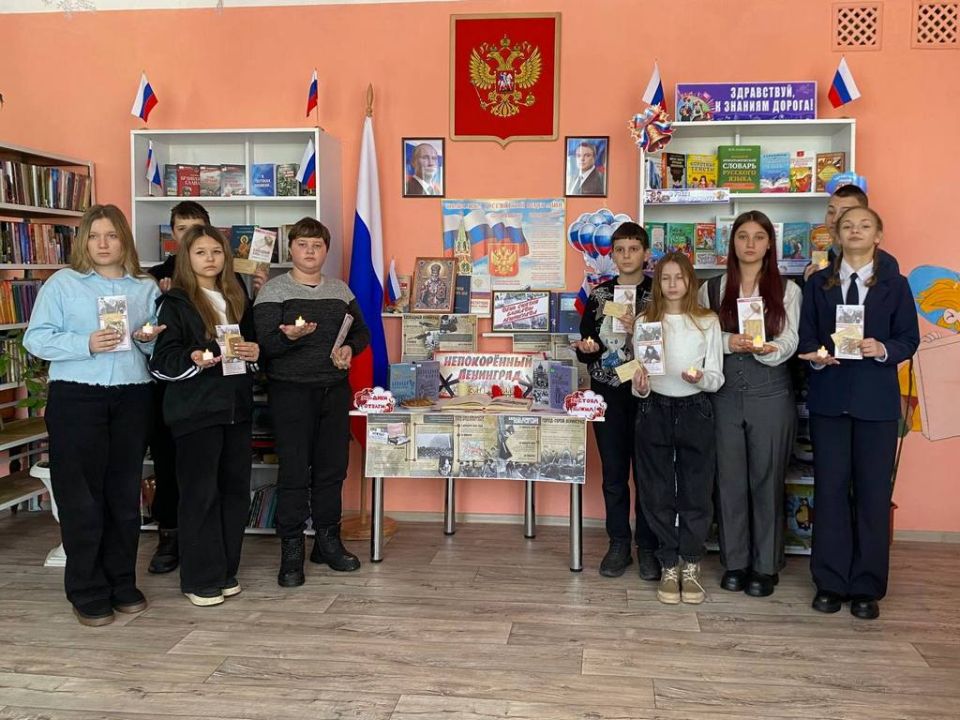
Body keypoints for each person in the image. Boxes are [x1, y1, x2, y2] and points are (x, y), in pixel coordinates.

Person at [23, 204, 162, 626]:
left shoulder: (145, 287)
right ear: (83, 240)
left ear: (124, 241)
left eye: (112, 235)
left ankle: (122, 581)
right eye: (95, 236)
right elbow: (36, 339)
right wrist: (85, 343)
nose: (103, 244)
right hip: (77, 396)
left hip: (133, 396)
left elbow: (157, 345)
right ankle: (86, 588)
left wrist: (147, 339)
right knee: (81, 497)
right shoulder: (63, 284)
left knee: (123, 494)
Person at [798, 207, 919, 620]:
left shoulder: (896, 285)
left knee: (872, 494)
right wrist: (815, 357)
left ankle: (867, 585)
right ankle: (830, 581)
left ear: (878, 235)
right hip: (830, 400)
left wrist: (883, 349)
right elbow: (807, 336)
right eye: (847, 226)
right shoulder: (819, 283)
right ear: (837, 235)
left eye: (864, 226)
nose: (855, 231)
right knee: (830, 491)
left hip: (876, 403)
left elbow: (909, 338)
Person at [146, 201, 266, 574]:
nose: (210, 258)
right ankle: (200, 578)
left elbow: (253, 348)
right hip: (196, 412)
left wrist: (255, 352)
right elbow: (162, 362)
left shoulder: (235, 297)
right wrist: (194, 357)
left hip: (236, 410)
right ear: (186, 257)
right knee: (200, 496)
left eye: (216, 251)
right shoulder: (175, 302)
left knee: (234, 493)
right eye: (200, 252)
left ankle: (226, 571)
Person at [253, 217, 370, 587]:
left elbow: (362, 332)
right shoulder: (273, 291)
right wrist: (288, 338)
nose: (310, 251)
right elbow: (264, 345)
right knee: (293, 471)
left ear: (326, 251)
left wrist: (349, 348)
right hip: (290, 392)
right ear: (290, 248)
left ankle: (327, 541)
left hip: (334, 390)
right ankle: (291, 549)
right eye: (302, 244)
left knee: (332, 469)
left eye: (317, 245)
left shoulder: (340, 290)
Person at [698, 211, 800, 598]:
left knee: (767, 480)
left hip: (770, 393)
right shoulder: (711, 289)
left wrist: (770, 349)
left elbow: (791, 338)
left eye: (759, 236)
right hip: (724, 395)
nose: (751, 244)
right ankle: (735, 562)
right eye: (743, 236)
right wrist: (729, 342)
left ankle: (766, 565)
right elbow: (701, 337)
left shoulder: (788, 290)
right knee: (729, 481)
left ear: (770, 243)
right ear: (733, 242)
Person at [631, 252, 724, 605]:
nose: (672, 284)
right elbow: (640, 378)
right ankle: (668, 564)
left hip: (694, 408)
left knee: (696, 492)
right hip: (654, 408)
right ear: (657, 283)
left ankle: (691, 563)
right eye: (665, 278)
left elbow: (716, 376)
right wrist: (640, 386)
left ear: (690, 281)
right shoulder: (645, 321)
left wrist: (700, 378)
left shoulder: (707, 321)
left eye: (679, 277)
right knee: (655, 492)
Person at [573, 222, 661, 580]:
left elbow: (668, 340)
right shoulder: (599, 295)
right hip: (608, 392)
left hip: (650, 393)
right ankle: (619, 544)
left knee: (648, 474)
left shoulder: (659, 293)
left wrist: (637, 325)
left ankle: (649, 546)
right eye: (620, 249)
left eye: (633, 249)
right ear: (612, 254)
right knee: (613, 473)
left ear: (646, 254)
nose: (626, 256)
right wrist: (587, 349)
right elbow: (587, 343)